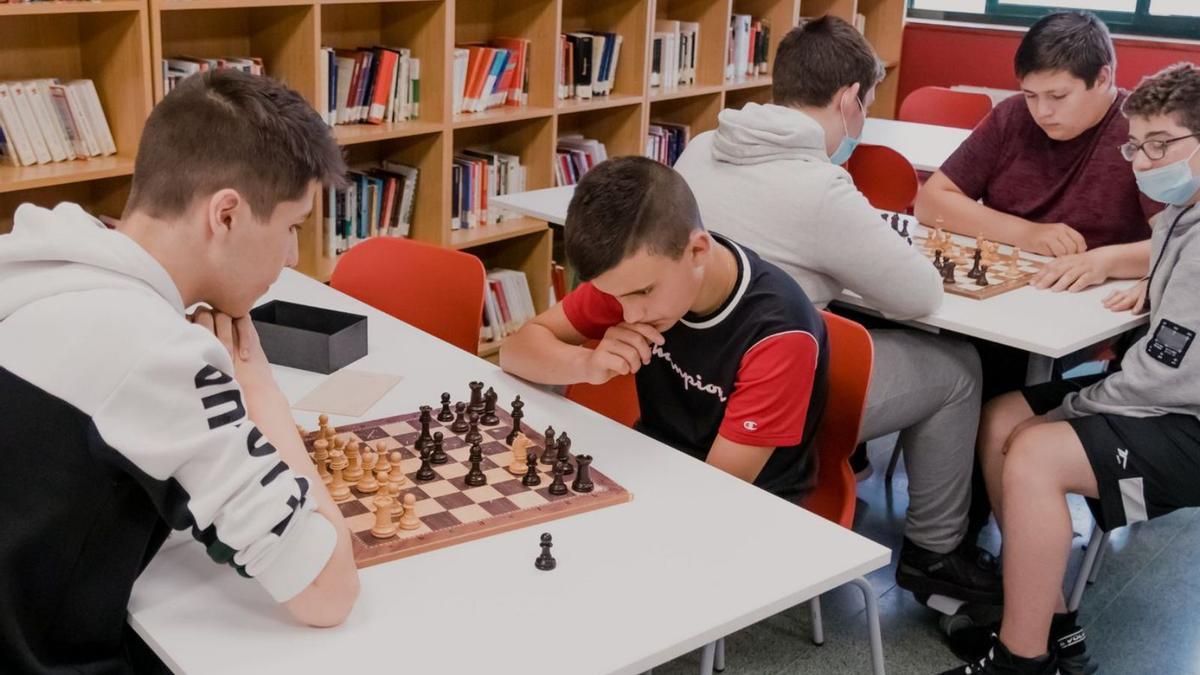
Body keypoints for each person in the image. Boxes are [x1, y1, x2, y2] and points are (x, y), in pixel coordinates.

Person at [0, 70, 361, 673]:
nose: (295, 257)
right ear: (226, 215)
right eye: (292, 227)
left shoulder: (38, 254)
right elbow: (329, 590)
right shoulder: (155, 354)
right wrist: (264, 403)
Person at [672, 15, 999, 604]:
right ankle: (934, 551)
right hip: (766, 395)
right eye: (867, 104)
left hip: (687, 375)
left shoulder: (698, 148)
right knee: (958, 367)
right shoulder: (819, 187)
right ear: (849, 98)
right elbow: (919, 295)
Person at [942, 63, 1200, 675]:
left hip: (1185, 421)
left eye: (1161, 145)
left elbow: (1164, 379)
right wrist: (1146, 281)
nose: (1141, 160)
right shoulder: (1183, 213)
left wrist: (1070, 411)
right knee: (1003, 413)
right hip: (1163, 394)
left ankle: (1020, 661)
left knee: (1031, 449)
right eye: (1136, 144)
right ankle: (1050, 622)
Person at [500, 156, 828, 503]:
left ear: (698, 251)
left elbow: (715, 490)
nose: (629, 312)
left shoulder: (779, 334)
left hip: (752, 507)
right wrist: (587, 364)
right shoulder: (635, 278)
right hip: (652, 464)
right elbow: (514, 351)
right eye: (616, 296)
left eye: (642, 293)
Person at [916, 10, 1160, 299]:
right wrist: (1027, 234)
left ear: (1102, 78)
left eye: (1058, 97)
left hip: (1089, 301)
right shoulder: (1012, 115)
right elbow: (930, 202)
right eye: (1031, 95)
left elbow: (1181, 243)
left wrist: (1106, 261)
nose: (1042, 111)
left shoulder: (1146, 130)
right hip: (1006, 288)